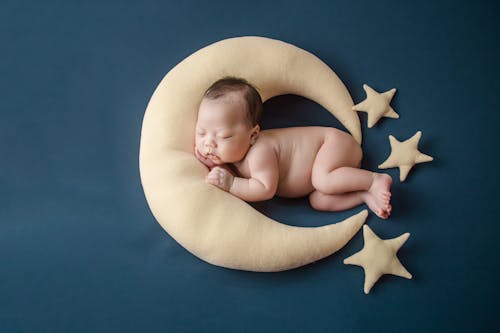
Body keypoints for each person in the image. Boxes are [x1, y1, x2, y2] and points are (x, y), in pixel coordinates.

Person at [194, 77, 393, 218]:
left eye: (223, 136)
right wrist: (216, 167)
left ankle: (374, 179)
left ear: (253, 135)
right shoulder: (236, 155)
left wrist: (229, 184)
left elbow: (263, 189)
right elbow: (239, 177)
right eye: (201, 132)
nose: (208, 143)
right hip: (324, 177)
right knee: (319, 201)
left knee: (323, 180)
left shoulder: (260, 151)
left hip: (333, 144)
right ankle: (363, 194)